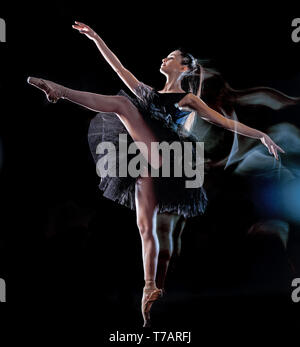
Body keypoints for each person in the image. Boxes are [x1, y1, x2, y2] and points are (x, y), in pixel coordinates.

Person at [27, 21, 284, 327]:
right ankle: (150, 287)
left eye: (171, 56)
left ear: (185, 67)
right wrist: (96, 37)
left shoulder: (188, 100)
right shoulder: (148, 92)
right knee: (145, 227)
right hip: (148, 163)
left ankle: (60, 91)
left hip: (168, 154)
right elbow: (118, 67)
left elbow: (226, 123)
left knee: (123, 105)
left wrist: (261, 136)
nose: (164, 59)